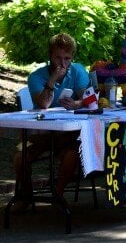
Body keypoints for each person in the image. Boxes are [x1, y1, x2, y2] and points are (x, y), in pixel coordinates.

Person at [13, 33, 91, 204]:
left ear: (72, 58)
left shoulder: (78, 71)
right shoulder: (36, 76)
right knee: (20, 157)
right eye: (57, 57)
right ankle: (26, 196)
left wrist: (76, 104)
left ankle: (58, 194)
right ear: (50, 56)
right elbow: (43, 104)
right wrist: (53, 79)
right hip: (40, 133)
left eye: (67, 58)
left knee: (72, 155)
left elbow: (87, 99)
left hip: (66, 135)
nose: (62, 63)